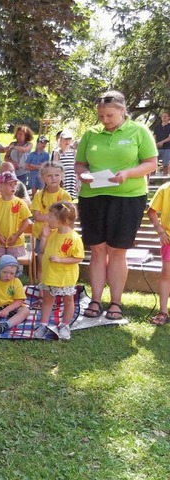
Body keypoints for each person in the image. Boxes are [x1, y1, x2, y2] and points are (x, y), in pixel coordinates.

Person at [75, 90, 157, 320]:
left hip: (128, 197)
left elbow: (151, 163)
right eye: (101, 116)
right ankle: (95, 299)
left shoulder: (139, 131)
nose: (105, 120)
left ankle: (116, 303)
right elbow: (80, 164)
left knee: (117, 251)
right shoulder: (91, 134)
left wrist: (128, 173)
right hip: (93, 197)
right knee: (98, 250)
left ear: (122, 111)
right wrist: (83, 175)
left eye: (110, 115)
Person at [34, 201, 84, 340]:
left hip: (65, 277)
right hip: (50, 275)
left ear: (64, 220)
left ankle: (65, 325)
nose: (48, 219)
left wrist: (61, 260)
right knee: (48, 299)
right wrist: (44, 236)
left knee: (68, 300)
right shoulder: (52, 233)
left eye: (51, 217)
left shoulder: (74, 238)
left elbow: (78, 258)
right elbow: (43, 250)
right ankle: (43, 324)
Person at [31, 162, 72, 281]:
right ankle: (42, 291)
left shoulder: (65, 195)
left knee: (58, 264)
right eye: (49, 176)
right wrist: (56, 217)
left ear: (62, 176)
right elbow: (37, 216)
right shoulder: (39, 196)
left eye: (56, 175)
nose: (53, 178)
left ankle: (58, 289)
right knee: (42, 265)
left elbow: (67, 217)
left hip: (59, 237)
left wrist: (49, 217)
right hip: (41, 236)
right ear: (43, 178)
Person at [0, 171, 31, 258]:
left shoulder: (20, 203)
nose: (13, 186)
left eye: (15, 184)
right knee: (0, 264)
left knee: (13, 265)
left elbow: (26, 221)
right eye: (10, 184)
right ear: (1, 186)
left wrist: (16, 235)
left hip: (16, 241)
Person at [148, 181, 170, 325]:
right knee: (167, 274)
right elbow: (152, 211)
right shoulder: (165, 189)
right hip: (169, 239)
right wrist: (160, 230)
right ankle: (163, 311)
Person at [52, 130, 77, 199]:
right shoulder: (57, 152)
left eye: (69, 139)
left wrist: (77, 181)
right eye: (65, 139)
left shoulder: (73, 152)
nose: (67, 141)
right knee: (62, 198)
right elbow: (54, 167)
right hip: (63, 179)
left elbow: (76, 166)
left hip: (72, 179)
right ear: (61, 140)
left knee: (72, 198)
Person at [153, 111, 170, 175]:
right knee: (153, 164)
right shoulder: (157, 127)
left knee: (165, 165)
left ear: (169, 117)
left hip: (167, 148)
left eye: (165, 116)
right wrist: (155, 144)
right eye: (163, 116)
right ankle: (151, 181)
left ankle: (165, 181)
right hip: (157, 149)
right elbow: (154, 136)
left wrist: (161, 142)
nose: (164, 117)